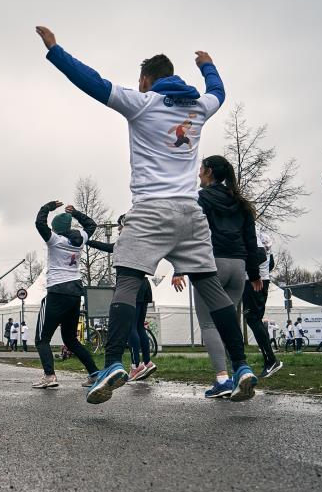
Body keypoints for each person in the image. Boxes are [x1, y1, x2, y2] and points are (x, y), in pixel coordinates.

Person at [36, 25, 257, 404]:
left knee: (127, 281)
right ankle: (241, 366)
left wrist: (55, 51)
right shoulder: (199, 108)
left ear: (145, 80)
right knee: (210, 287)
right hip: (191, 214)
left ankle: (112, 363)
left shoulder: (142, 102)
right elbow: (219, 93)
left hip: (151, 209)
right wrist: (208, 66)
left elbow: (92, 82)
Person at [171, 155, 265, 399]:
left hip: (211, 264)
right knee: (228, 322)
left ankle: (222, 379)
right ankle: (239, 373)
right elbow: (251, 240)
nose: (198, 173)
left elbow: (188, 232)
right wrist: (254, 273)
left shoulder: (200, 199)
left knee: (209, 324)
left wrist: (179, 267)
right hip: (238, 267)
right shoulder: (242, 203)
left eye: (201, 169)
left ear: (209, 172)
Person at [30, 202, 102, 388]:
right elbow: (91, 225)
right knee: (70, 339)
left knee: (42, 339)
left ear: (56, 229)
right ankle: (94, 373)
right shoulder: (81, 238)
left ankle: (49, 376)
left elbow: (40, 224)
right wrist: (75, 213)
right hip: (75, 292)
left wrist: (47, 207)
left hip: (57, 291)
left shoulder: (55, 240)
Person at [86, 213, 157, 381]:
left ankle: (135, 366)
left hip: (131, 286)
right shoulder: (142, 239)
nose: (118, 228)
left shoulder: (126, 241)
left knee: (131, 327)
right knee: (139, 327)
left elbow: (110, 247)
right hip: (144, 284)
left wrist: (87, 241)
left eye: (120, 225)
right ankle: (147, 362)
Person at [242, 226, 283, 377]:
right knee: (254, 319)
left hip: (253, 280)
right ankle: (270, 360)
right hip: (260, 279)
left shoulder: (250, 228)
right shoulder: (261, 232)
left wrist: (252, 273)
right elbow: (270, 262)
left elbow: (259, 254)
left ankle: (271, 360)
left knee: (252, 319)